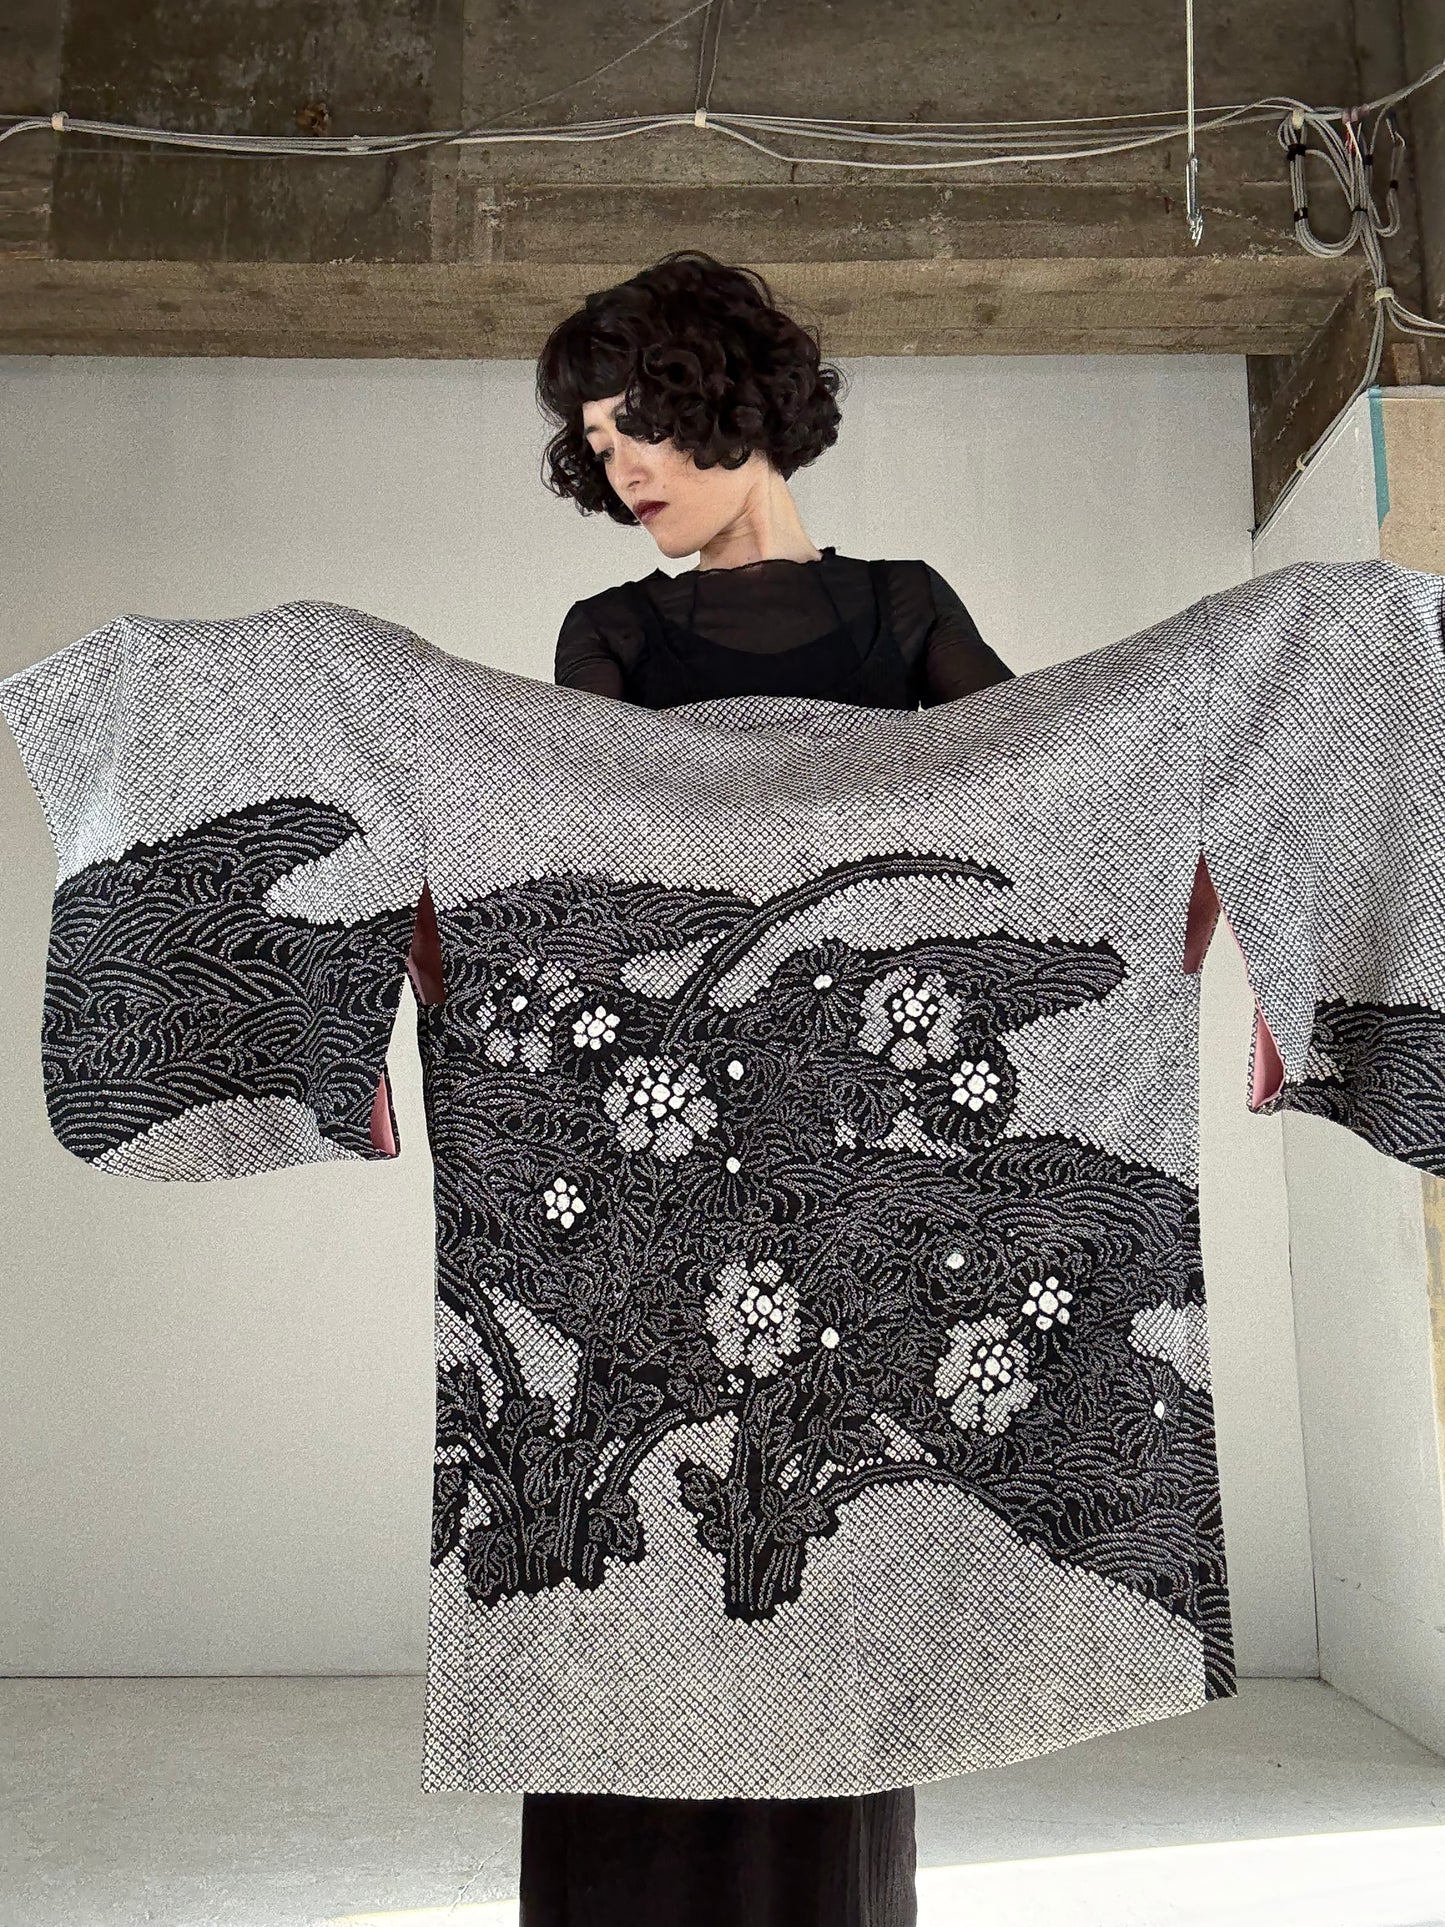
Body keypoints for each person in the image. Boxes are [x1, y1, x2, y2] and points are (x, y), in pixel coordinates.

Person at [519, 248, 1013, 1927]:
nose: (621, 469)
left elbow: (1044, 805)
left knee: (805, 1522)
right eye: (595, 447)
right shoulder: (612, 633)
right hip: (657, 1151)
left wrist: (1199, 843)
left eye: (641, 423)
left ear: (731, 401)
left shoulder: (902, 612)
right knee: (634, 1511)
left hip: (839, 1160)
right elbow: (575, 860)